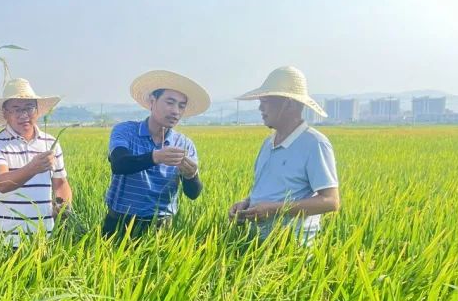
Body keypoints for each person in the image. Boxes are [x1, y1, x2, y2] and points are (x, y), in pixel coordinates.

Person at [228, 66, 340, 244]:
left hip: (292, 247)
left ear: (288, 104)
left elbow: (330, 201)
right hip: (255, 242)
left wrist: (274, 210)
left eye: (265, 101)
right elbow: (268, 190)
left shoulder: (315, 144)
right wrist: (246, 203)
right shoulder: (268, 143)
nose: (260, 108)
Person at [103, 70, 210, 238]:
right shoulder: (125, 131)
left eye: (181, 106)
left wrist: (192, 176)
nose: (175, 111)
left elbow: (193, 194)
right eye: (170, 102)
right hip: (118, 224)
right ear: (152, 101)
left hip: (160, 228)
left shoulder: (184, 144)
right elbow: (119, 164)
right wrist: (156, 157)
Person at [0, 78, 72, 245]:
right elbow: (2, 183)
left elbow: (60, 183)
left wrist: (63, 207)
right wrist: (33, 168)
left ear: (37, 110)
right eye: (16, 109)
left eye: (29, 108)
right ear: (5, 113)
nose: (23, 115)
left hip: (43, 239)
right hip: (3, 240)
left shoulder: (50, 143)